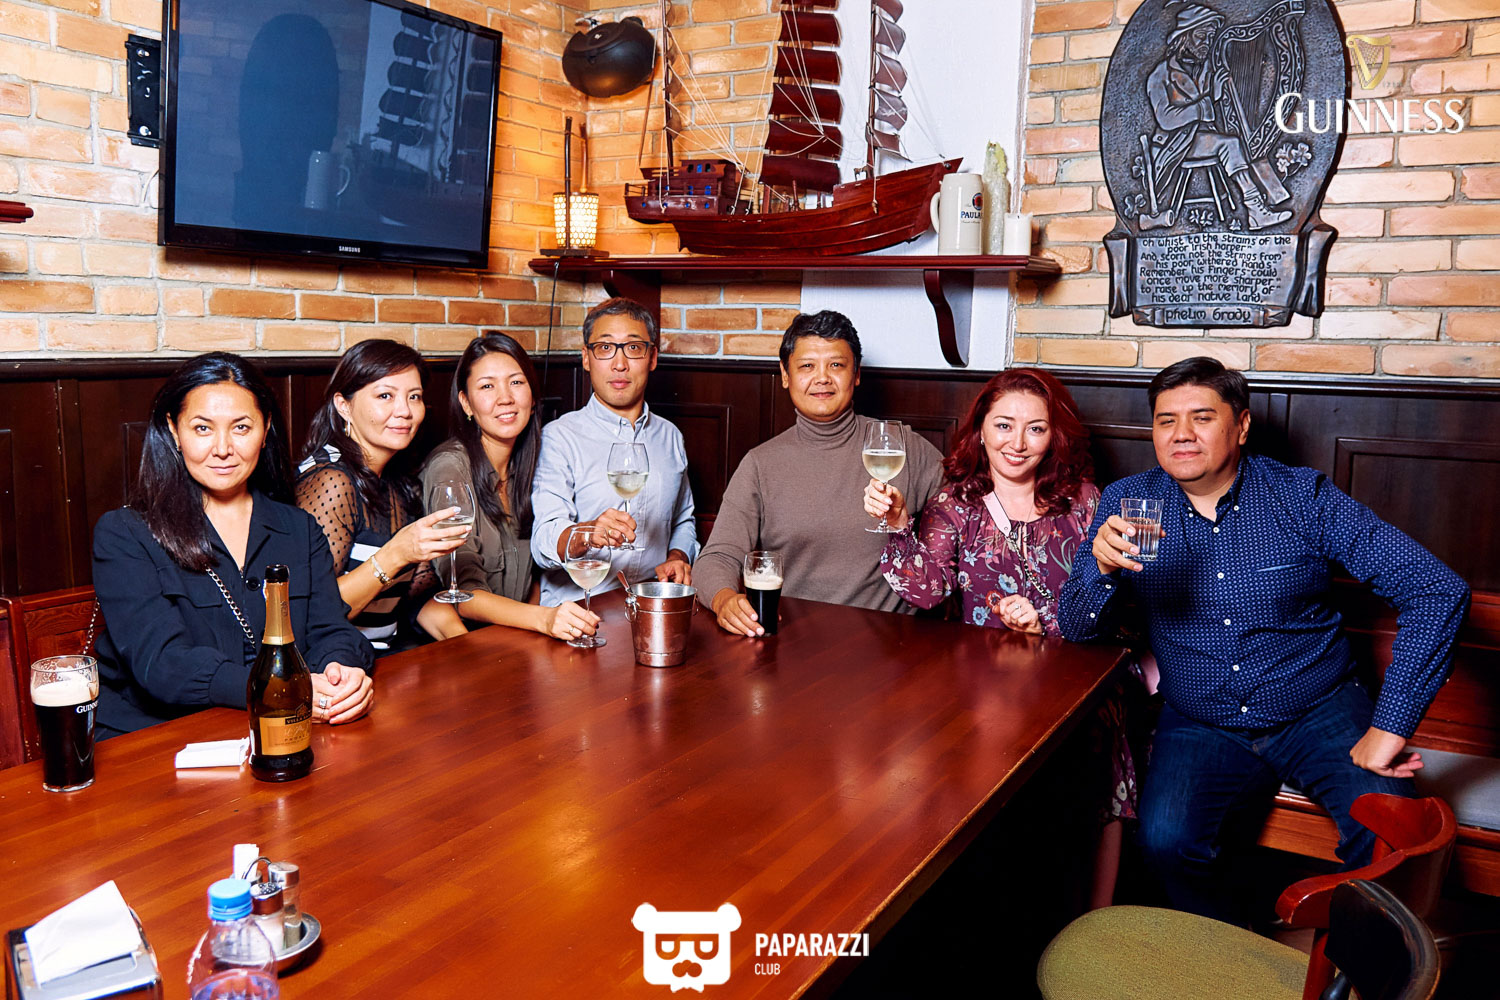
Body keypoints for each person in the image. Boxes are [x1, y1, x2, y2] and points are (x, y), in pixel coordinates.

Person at [1059, 357, 1469, 923]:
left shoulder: (1301, 496)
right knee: (1164, 843)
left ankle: (1347, 960)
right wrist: (1099, 571)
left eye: (1202, 417)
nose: (1181, 434)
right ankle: (1237, 949)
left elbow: (1435, 589)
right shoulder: (1128, 501)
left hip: (1318, 708)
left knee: (1390, 833)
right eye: (1165, 420)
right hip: (1200, 719)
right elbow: (1078, 629)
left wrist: (1390, 726)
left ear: (1242, 426)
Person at [869, 367, 1134, 908]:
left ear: (1054, 436)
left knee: (1098, 751)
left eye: (1035, 429)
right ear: (981, 430)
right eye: (1004, 425)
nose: (1017, 443)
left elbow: (1117, 603)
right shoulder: (955, 505)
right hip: (981, 690)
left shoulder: (1086, 502)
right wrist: (898, 525)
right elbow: (926, 592)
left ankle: (1097, 920)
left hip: (1074, 677)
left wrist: (1047, 624)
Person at [92, 352, 375, 738]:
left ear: (266, 428)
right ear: (174, 430)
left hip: (273, 729)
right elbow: (162, 665)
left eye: (241, 427)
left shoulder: (299, 528)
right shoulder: (126, 533)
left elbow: (331, 629)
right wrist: (281, 688)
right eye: (202, 428)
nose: (223, 448)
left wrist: (340, 674)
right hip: (156, 736)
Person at [694, 310, 944, 635]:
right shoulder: (760, 464)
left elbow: (971, 515)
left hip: (889, 646)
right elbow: (717, 557)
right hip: (794, 642)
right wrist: (724, 600)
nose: (822, 378)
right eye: (807, 366)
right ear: (785, 375)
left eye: (836, 365)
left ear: (856, 374)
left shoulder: (903, 448)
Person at [421, 333, 599, 642]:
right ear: (466, 403)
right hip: (458, 644)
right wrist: (544, 620)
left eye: (516, 382)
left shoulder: (533, 463)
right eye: (487, 386)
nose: (505, 398)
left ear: (533, 396)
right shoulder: (450, 469)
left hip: (516, 638)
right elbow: (463, 592)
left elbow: (534, 576)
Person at [295, 339, 471, 652]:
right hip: (333, 666)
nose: (405, 411)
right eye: (385, 396)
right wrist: (396, 554)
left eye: (414, 397)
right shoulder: (330, 481)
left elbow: (419, 596)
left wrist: (466, 645)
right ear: (344, 405)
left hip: (388, 656)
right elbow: (310, 613)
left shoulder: (399, 483)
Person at [530, 298, 699, 603]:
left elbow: (682, 521)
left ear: (652, 357)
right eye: (605, 348)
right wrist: (586, 533)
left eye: (633, 348)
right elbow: (543, 540)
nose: (619, 364)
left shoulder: (671, 436)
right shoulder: (559, 437)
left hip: (649, 604)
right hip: (579, 608)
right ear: (586, 358)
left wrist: (677, 557)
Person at [1141, 2, 1292, 231]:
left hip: (1195, 138)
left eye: (1210, 37)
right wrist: (1209, 99)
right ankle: (1255, 211)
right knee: (1230, 144)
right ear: (1184, 37)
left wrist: (1216, 97)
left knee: (1241, 143)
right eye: (1201, 36)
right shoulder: (1160, 75)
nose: (1207, 42)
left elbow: (1208, 116)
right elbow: (1166, 119)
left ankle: (1269, 198)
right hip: (1172, 144)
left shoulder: (1204, 70)